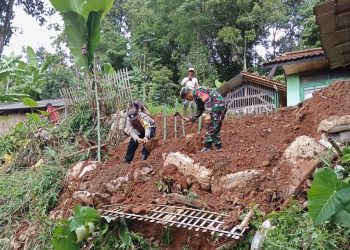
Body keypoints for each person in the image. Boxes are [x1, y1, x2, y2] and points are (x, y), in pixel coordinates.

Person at [180, 86, 227, 152]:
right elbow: (200, 110)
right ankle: (218, 147)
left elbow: (207, 99)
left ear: (188, 93)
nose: (187, 100)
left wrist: (208, 114)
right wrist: (191, 119)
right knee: (215, 127)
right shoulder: (196, 98)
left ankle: (207, 147)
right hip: (220, 105)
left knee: (210, 125)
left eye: (186, 98)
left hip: (217, 105)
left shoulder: (198, 91)